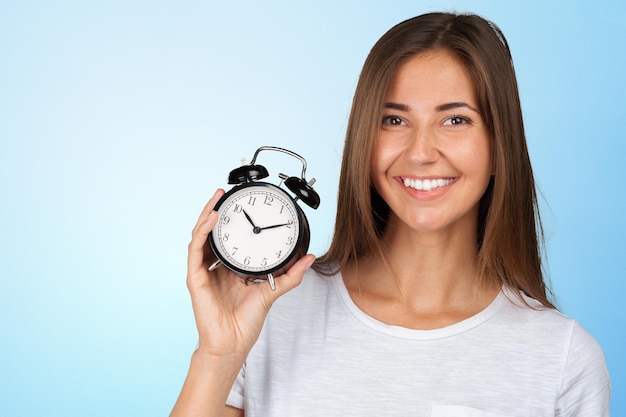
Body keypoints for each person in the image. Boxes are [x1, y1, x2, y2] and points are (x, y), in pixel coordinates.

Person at [170, 12, 611, 417]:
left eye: (455, 120)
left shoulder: (562, 358)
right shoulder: (270, 315)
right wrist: (218, 356)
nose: (421, 153)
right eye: (394, 121)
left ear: (500, 146)